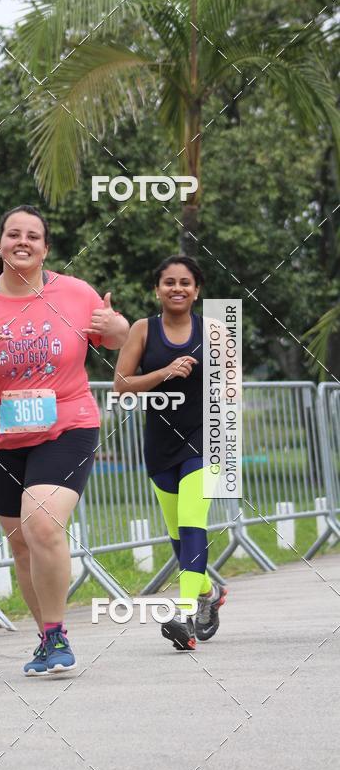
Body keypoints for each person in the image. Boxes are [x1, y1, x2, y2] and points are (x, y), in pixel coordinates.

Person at [0, 205, 129, 675]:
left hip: (68, 425)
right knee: (22, 545)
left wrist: (118, 328)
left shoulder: (76, 293)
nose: (23, 242)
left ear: (46, 247)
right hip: (2, 438)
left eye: (33, 236)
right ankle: (46, 638)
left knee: (42, 524)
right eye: (13, 234)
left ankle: (59, 631)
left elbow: (117, 336)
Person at [113, 255, 227, 651]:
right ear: (157, 289)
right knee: (178, 534)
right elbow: (122, 385)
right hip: (160, 442)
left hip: (206, 439)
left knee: (194, 520)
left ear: (197, 290)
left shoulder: (214, 330)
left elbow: (232, 387)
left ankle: (184, 614)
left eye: (185, 283)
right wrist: (164, 373)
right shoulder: (143, 330)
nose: (177, 289)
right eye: (169, 283)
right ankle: (208, 593)